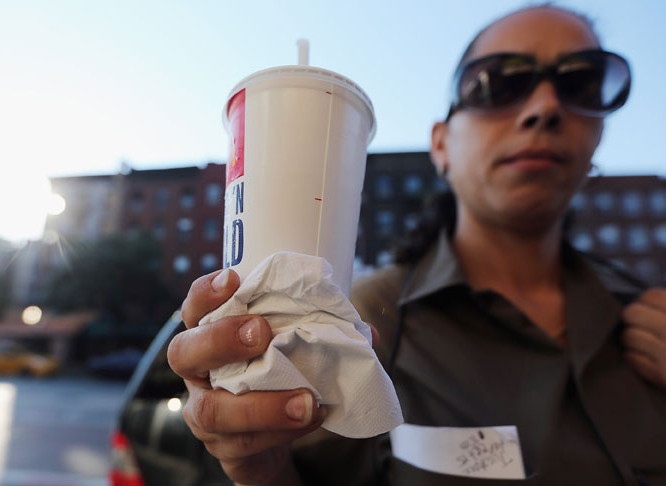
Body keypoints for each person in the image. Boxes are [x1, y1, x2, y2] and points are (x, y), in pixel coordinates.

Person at [167, 4, 666, 485]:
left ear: (600, 133)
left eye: (582, 82)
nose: (545, 108)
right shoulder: (358, 319)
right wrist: (262, 470)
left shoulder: (646, 312)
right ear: (442, 143)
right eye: (499, 83)